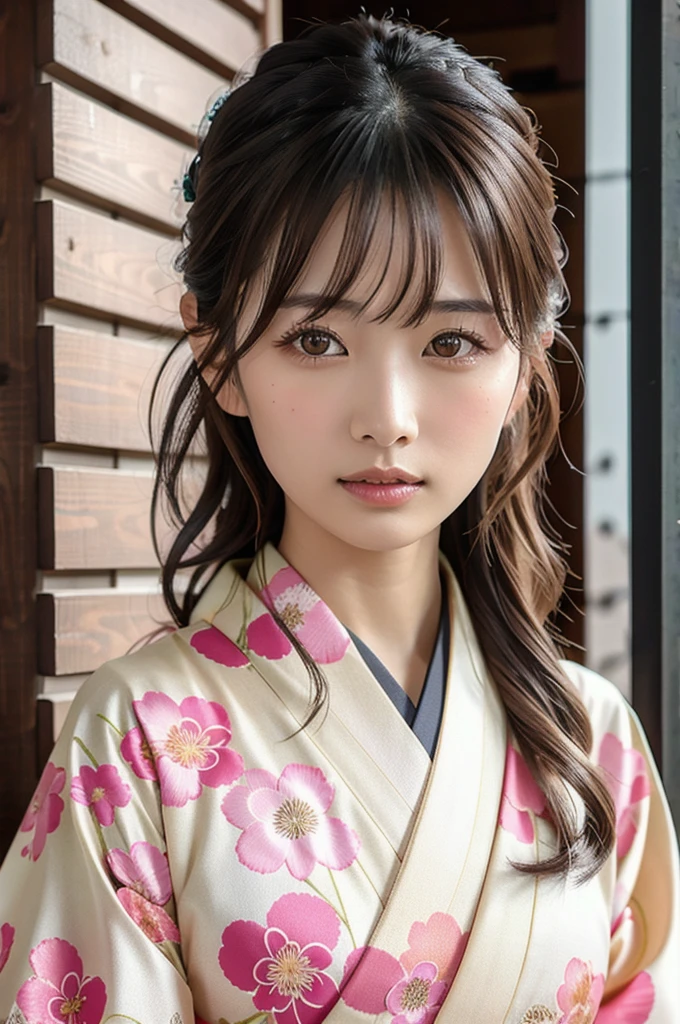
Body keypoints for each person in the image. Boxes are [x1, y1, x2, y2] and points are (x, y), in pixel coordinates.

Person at [0, 14, 678, 1024]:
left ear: (527, 358)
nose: (387, 420)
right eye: (316, 337)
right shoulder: (133, 742)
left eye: (451, 341)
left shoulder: (589, 742)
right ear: (219, 349)